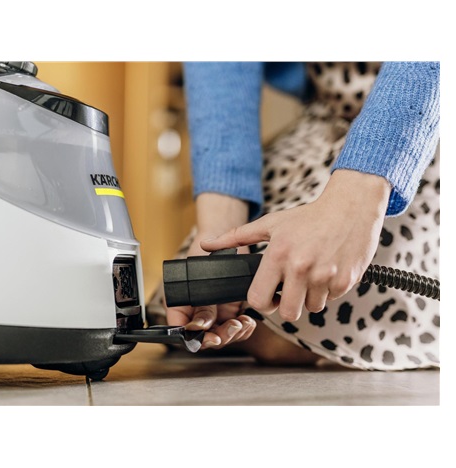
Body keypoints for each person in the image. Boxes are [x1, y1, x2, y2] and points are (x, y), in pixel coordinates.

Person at [147, 62, 440, 370]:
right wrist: (220, 226)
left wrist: (355, 200)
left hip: (424, 121)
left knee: (292, 326)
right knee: (187, 311)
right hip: (324, 126)